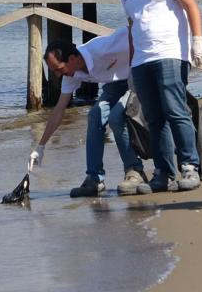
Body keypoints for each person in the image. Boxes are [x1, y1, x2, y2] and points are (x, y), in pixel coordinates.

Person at [102, 0, 202, 194]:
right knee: (153, 118)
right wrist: (130, 66)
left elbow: (191, 6)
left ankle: (189, 167)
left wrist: (198, 40)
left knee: (176, 110)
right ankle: (163, 172)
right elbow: (131, 27)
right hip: (141, 61)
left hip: (170, 53)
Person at [28, 27, 147, 197]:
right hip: (114, 84)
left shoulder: (103, 48)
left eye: (59, 69)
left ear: (72, 58)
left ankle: (135, 171)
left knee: (116, 117)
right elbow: (59, 110)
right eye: (54, 71)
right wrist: (40, 146)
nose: (58, 75)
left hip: (136, 76)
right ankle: (94, 179)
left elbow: (133, 30)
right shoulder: (70, 74)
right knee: (95, 115)